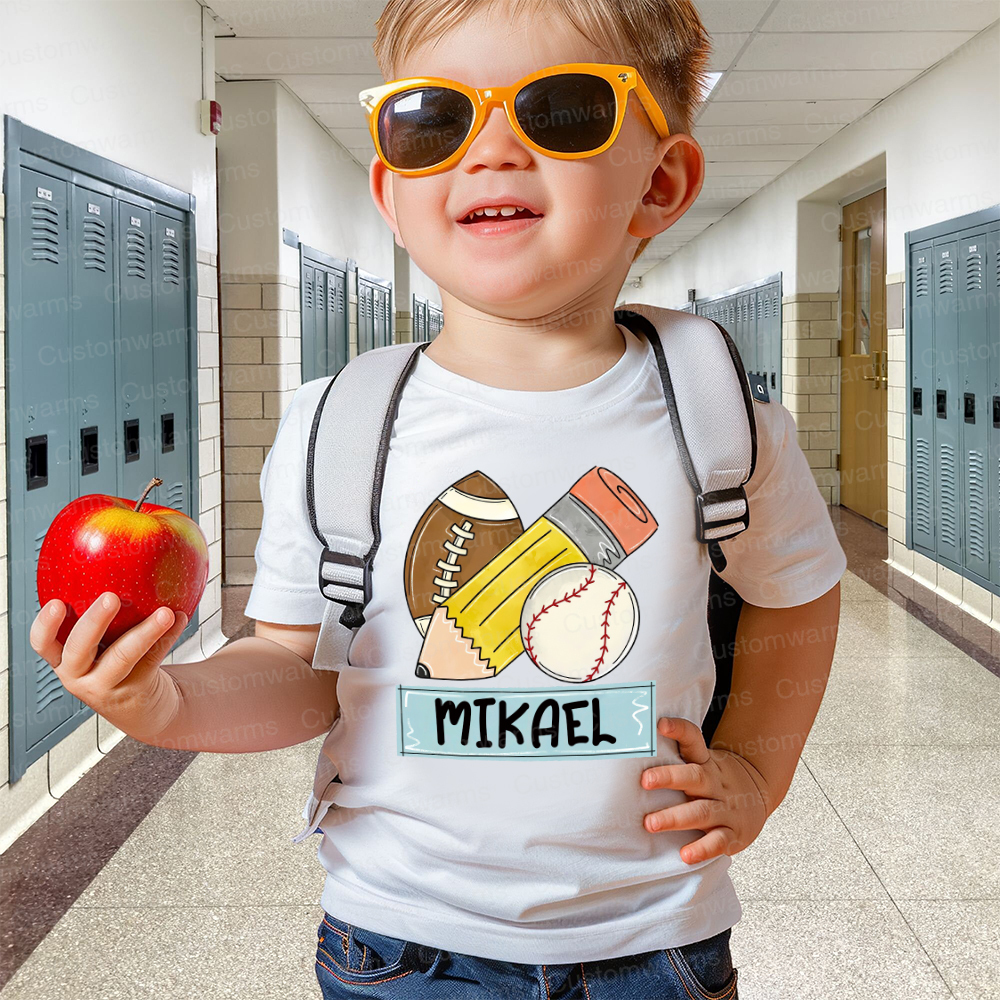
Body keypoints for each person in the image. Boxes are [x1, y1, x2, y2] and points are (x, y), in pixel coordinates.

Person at [31, 1, 847, 996]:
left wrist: (757, 770)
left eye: (561, 110)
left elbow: (797, 590)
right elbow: (297, 671)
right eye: (434, 119)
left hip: (655, 934)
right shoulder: (338, 426)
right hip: (399, 940)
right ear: (391, 187)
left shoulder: (717, 415)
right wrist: (164, 702)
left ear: (661, 182)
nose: (492, 148)